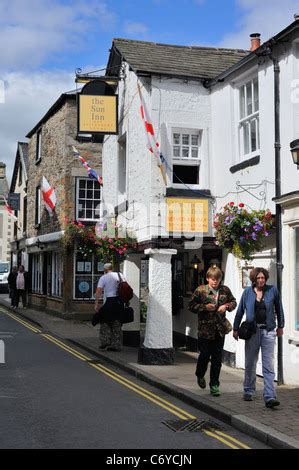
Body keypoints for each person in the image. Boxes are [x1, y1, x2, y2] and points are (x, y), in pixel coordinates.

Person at [233, 267, 285, 409]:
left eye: (263, 278)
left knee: (268, 365)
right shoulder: (247, 293)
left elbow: (279, 309)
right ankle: (249, 391)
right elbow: (239, 312)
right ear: (254, 279)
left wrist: (281, 326)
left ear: (266, 278)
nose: (261, 280)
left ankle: (270, 397)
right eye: (259, 278)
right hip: (252, 332)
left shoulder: (272, 290)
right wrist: (235, 329)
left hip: (268, 332)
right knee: (250, 363)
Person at [188, 266, 237, 397]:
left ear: (220, 279)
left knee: (217, 359)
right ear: (208, 278)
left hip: (219, 330)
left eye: (218, 279)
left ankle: (214, 385)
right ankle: (200, 374)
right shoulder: (201, 290)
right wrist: (205, 307)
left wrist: (226, 306)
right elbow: (191, 306)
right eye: (212, 279)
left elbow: (233, 302)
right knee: (204, 355)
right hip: (205, 330)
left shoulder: (225, 290)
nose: (215, 281)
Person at [94, 263, 125, 352]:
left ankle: (105, 341)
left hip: (110, 301)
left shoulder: (104, 277)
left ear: (105, 269)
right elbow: (125, 287)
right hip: (119, 302)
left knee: (104, 320)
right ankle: (116, 345)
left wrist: (96, 304)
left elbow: (99, 290)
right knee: (117, 323)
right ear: (112, 268)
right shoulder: (120, 275)